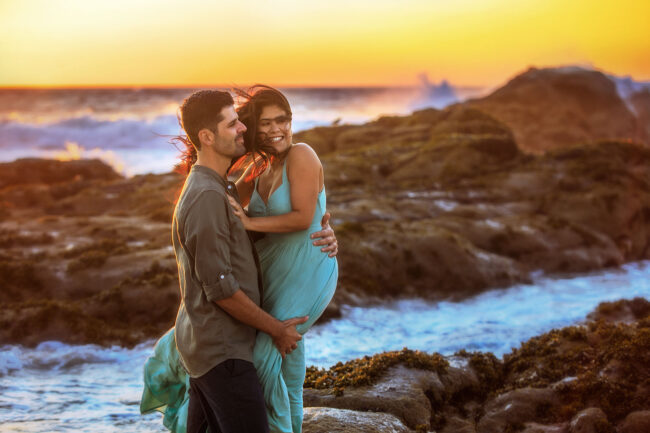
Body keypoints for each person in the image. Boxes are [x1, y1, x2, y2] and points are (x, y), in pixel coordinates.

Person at [139, 90, 337, 433]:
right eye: (237, 125)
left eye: (283, 119)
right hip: (223, 347)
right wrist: (275, 329)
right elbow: (221, 287)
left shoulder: (222, 186)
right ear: (207, 136)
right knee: (267, 373)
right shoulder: (210, 194)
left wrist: (321, 229)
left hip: (224, 334)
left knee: (269, 372)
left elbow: (294, 219)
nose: (244, 130)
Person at [227, 85, 338, 433]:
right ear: (252, 128)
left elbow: (304, 218)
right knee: (287, 363)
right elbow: (223, 193)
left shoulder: (302, 154)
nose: (277, 129)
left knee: (262, 358)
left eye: (283, 120)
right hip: (272, 274)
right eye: (266, 123)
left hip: (308, 270)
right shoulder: (261, 166)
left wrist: (248, 221)